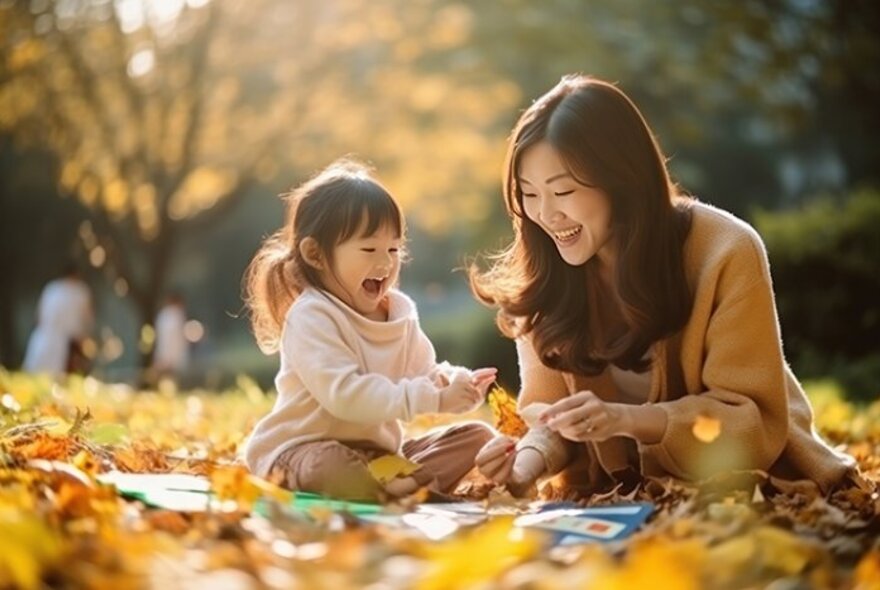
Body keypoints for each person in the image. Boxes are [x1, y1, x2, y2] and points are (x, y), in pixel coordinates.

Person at [470, 75, 857, 498]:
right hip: (621, 500)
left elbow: (750, 427)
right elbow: (550, 420)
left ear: (622, 179)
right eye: (528, 194)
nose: (546, 215)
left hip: (745, 491)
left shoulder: (725, 250)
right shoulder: (544, 273)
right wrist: (524, 466)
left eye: (563, 191)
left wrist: (626, 420)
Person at [242, 159, 497, 500]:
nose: (386, 262)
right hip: (300, 451)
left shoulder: (399, 315)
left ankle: (394, 487)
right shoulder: (311, 317)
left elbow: (427, 371)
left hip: (376, 457)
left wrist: (457, 383)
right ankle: (405, 490)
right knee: (330, 464)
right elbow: (345, 396)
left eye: (394, 249)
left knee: (477, 437)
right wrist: (432, 397)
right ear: (316, 254)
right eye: (369, 249)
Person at [23, 264, 94, 376]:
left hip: (43, 337)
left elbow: (39, 316)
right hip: (65, 341)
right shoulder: (80, 291)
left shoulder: (51, 288)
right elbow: (87, 318)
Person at [152, 293, 190, 379]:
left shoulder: (162, 315)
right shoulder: (175, 315)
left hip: (164, 357)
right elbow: (171, 339)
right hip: (171, 358)